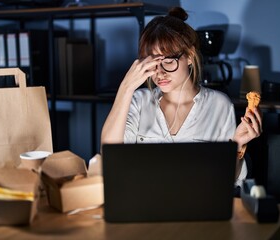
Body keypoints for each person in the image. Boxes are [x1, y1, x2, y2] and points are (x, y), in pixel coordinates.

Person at [100, 7, 263, 188]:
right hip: (143, 204)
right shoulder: (139, 101)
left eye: (168, 61)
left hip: (199, 207)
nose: (160, 73)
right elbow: (110, 155)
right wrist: (126, 88)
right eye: (154, 63)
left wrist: (238, 145)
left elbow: (226, 180)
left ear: (190, 56)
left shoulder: (219, 105)